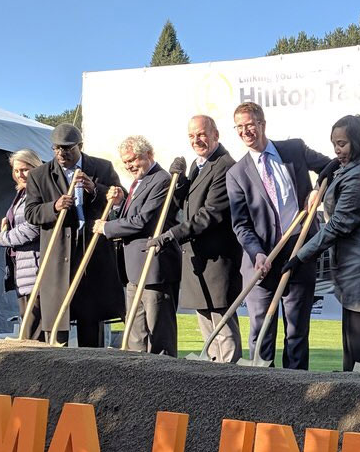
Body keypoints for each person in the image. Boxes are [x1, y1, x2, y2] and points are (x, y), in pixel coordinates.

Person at [289, 115, 360, 372]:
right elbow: (335, 172)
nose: (338, 151)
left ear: (358, 142)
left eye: (342, 144)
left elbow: (339, 224)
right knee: (355, 344)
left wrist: (301, 256)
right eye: (334, 144)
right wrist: (322, 181)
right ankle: (352, 388)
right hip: (356, 267)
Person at [225, 101, 332, 369]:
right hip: (260, 260)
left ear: (262, 124)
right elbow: (241, 224)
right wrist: (257, 252)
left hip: (298, 252)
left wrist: (318, 188)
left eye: (249, 124)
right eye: (239, 127)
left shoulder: (294, 149)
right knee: (261, 334)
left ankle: (296, 395)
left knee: (296, 332)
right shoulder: (236, 173)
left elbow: (331, 167)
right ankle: (261, 392)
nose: (245, 131)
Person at [148, 116, 244, 362]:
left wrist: (172, 234)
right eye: (191, 136)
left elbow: (211, 214)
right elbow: (186, 205)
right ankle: (213, 378)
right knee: (207, 327)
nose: (196, 140)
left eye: (201, 134)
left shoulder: (224, 165)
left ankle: (232, 381)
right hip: (197, 259)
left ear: (215, 134)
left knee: (222, 326)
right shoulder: (197, 165)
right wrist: (178, 182)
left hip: (217, 260)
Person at [25, 123, 125, 347]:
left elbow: (119, 201)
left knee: (91, 320)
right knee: (58, 318)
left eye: (68, 148)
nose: (62, 153)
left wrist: (95, 190)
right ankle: (59, 369)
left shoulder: (102, 168)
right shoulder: (39, 175)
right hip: (59, 255)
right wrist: (54, 207)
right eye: (57, 148)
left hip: (91, 252)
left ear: (80, 146)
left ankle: (93, 369)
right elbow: (31, 212)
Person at [96, 135, 180, 355]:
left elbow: (143, 221)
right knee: (136, 334)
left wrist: (106, 228)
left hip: (154, 268)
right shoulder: (137, 182)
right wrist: (119, 204)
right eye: (125, 162)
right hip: (134, 269)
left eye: (133, 160)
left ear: (149, 155)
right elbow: (131, 216)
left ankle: (166, 381)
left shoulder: (162, 179)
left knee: (159, 333)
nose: (129, 166)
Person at [0, 149, 43, 340]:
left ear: (36, 168)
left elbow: (32, 228)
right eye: (16, 171)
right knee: (27, 321)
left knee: (34, 325)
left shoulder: (38, 193)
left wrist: (2, 238)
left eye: (25, 169)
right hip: (22, 267)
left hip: (35, 265)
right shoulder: (22, 195)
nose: (20, 175)